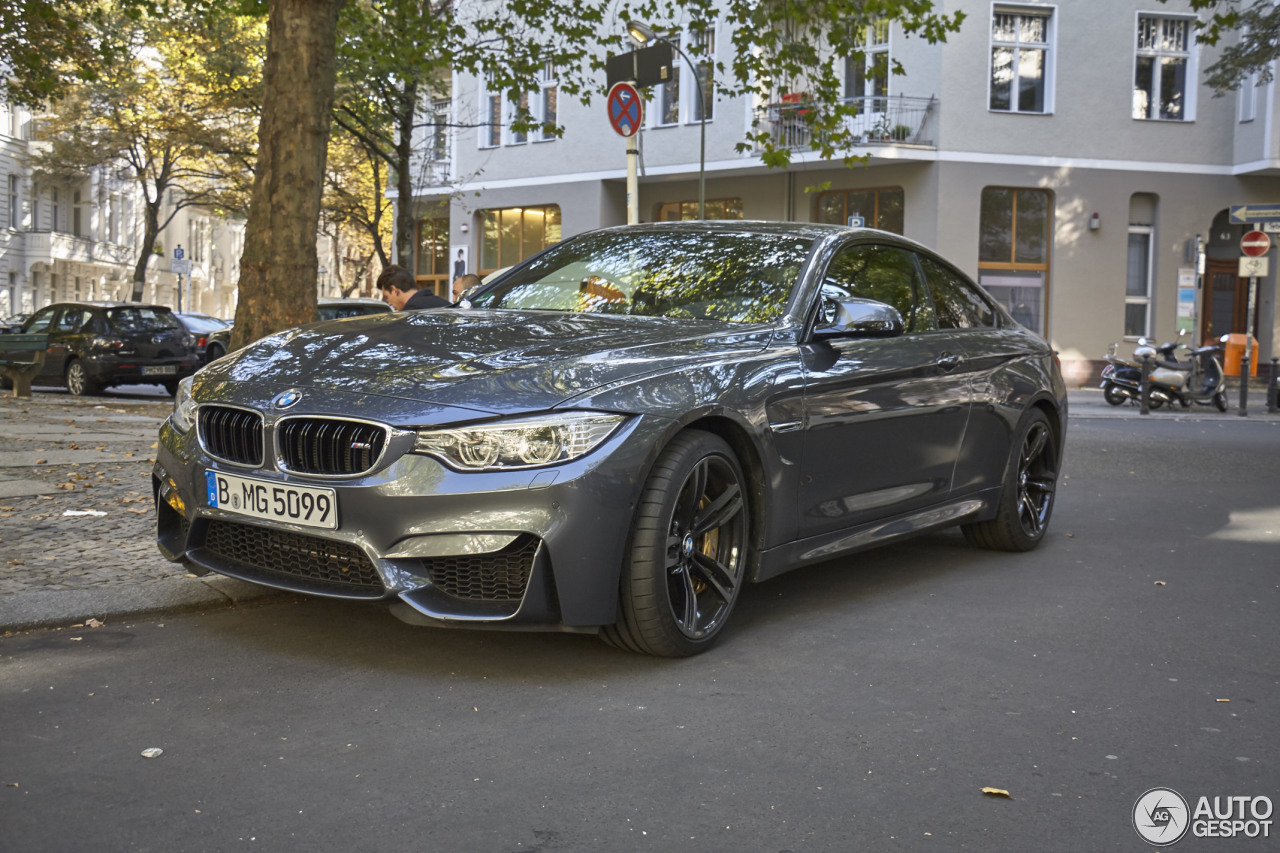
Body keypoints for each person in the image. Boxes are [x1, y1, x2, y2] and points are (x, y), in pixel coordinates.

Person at [376, 265, 448, 310]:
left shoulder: (412, 312)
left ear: (394, 290)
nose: (389, 303)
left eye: (387, 297)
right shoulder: (445, 304)